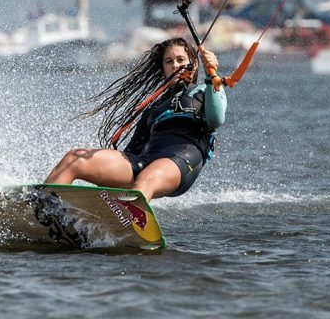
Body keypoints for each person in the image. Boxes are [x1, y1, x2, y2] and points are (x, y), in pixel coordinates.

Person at [45, 37, 227, 200]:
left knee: (146, 179)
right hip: (145, 161)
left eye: (180, 60)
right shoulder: (154, 108)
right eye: (169, 61)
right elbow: (131, 152)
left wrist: (211, 74)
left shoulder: (206, 91)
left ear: (193, 65)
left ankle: (130, 223)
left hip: (182, 160)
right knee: (74, 158)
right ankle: (43, 206)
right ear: (163, 68)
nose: (175, 65)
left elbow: (216, 119)